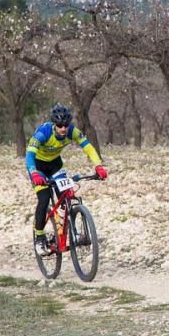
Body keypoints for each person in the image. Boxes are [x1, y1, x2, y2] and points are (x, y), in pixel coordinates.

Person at [26, 103, 107, 254]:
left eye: (66, 125)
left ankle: (68, 231)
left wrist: (98, 166)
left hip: (55, 165)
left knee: (66, 194)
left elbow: (88, 147)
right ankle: (39, 237)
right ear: (54, 124)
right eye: (59, 125)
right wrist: (34, 172)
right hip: (37, 166)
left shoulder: (73, 132)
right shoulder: (43, 133)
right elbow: (29, 155)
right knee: (44, 198)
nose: (63, 129)